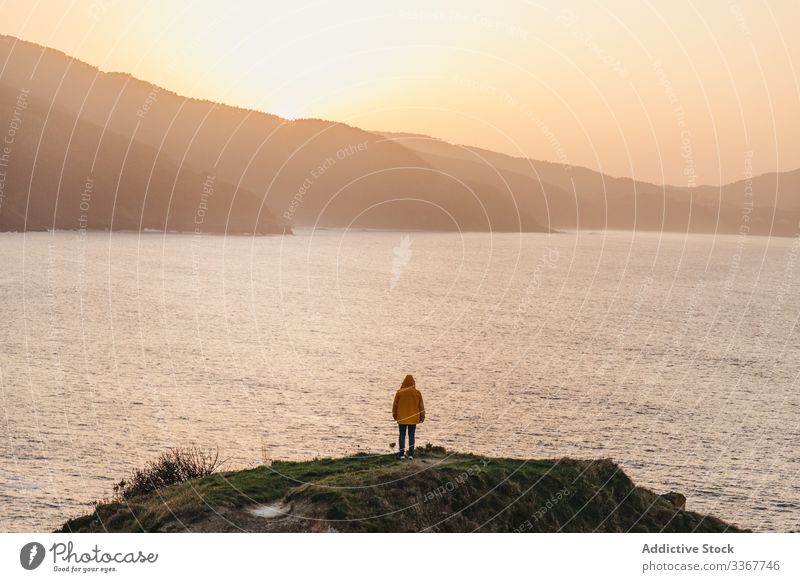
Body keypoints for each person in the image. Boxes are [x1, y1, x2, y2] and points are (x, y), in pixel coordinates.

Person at [392, 374, 425, 460]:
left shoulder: (399, 392)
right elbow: (421, 406)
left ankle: (401, 455)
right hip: (413, 419)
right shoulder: (417, 393)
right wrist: (422, 417)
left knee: (402, 435)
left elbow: (395, 406)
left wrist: (395, 416)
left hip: (402, 418)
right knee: (411, 435)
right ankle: (410, 455)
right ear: (413, 383)